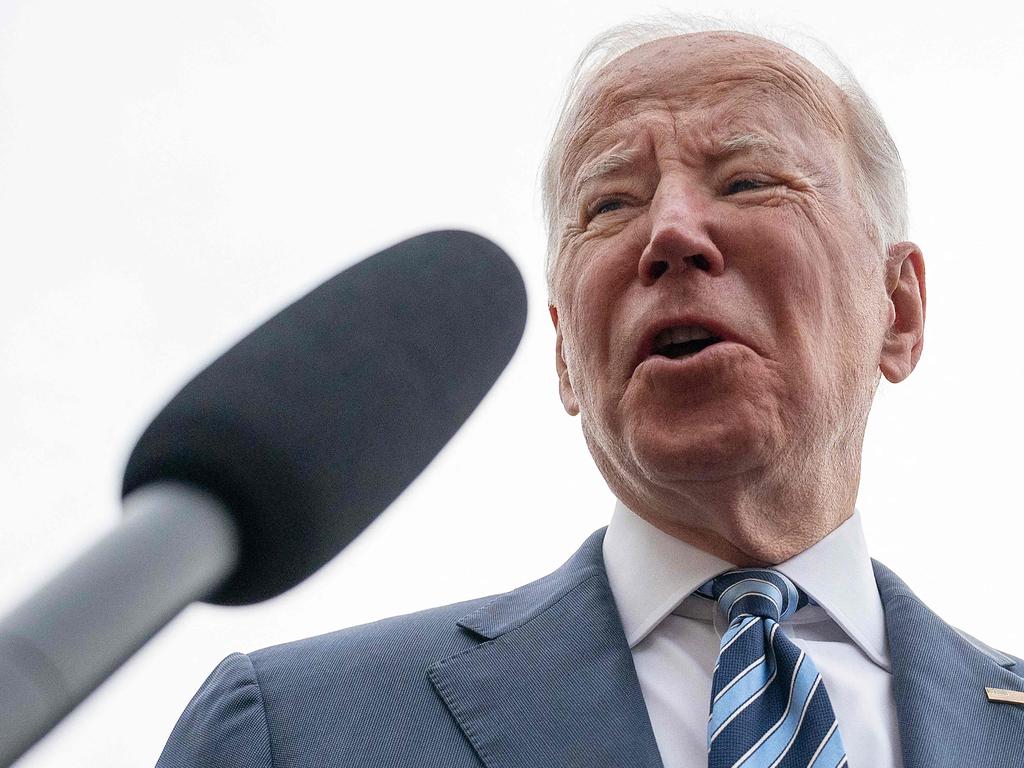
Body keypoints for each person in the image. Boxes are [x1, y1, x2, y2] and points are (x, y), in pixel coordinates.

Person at [155, 19, 1023, 768]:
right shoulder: (299, 734)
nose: (672, 232)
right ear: (568, 354)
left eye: (748, 180)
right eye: (610, 204)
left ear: (898, 310)